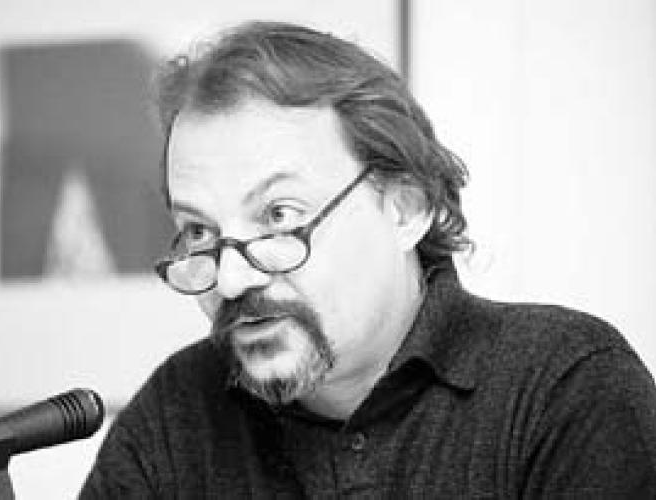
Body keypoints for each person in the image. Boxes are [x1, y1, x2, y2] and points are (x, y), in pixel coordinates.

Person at [80, 21, 656, 498]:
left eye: (279, 215)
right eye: (200, 230)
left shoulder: (564, 388)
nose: (230, 280)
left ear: (406, 208)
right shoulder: (175, 414)